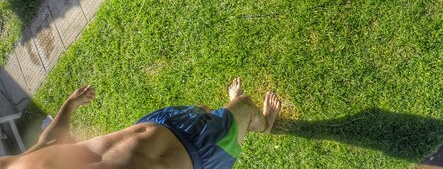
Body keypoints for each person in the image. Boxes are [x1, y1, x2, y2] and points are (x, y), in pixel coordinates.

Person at [0, 78, 281, 168]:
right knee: (244, 107)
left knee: (200, 109)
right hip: (193, 154)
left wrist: (68, 106)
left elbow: (47, 143)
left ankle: (227, 113)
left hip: (158, 124)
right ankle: (262, 124)